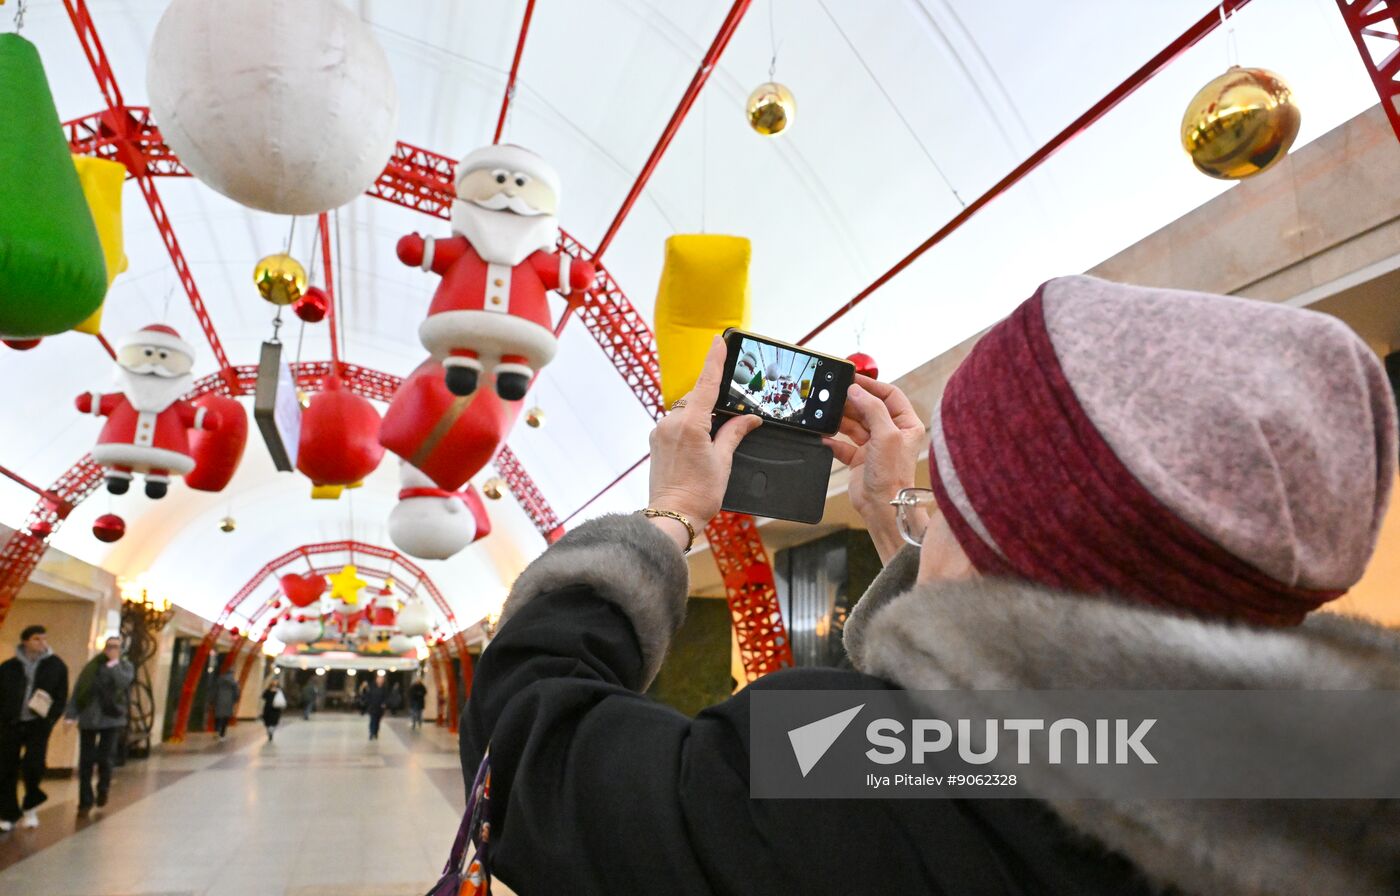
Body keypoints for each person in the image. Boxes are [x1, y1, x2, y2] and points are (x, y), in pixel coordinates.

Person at [459, 277, 1400, 895]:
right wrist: (909, 522)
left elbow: (528, 760)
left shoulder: (846, 764)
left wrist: (667, 515)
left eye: (955, 487)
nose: (934, 504)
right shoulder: (1333, 787)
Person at [0, 625, 68, 831]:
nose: (42, 643)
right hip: (10, 724)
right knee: (6, 768)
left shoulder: (56, 666)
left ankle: (31, 803)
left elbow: (61, 696)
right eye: (37, 639)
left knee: (34, 765)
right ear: (25, 642)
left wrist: (50, 720)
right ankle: (8, 812)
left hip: (37, 725)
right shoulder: (9, 667)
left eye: (44, 639)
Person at [63, 636, 133, 815]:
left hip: (112, 719)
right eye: (109, 646)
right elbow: (79, 690)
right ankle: (84, 801)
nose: (112, 650)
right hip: (88, 718)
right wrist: (70, 715)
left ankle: (103, 789)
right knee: (85, 760)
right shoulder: (92, 666)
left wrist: (114, 664)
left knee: (105, 757)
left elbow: (122, 682)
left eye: (116, 647)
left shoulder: (125, 666)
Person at [210, 669, 239, 740]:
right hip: (228, 702)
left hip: (219, 701)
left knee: (218, 717)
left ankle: (216, 732)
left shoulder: (219, 681)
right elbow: (237, 694)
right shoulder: (234, 683)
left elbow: (214, 691)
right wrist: (235, 700)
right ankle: (222, 734)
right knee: (225, 718)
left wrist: (212, 701)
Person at [363, 674, 388, 741]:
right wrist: (368, 703)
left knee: (377, 721)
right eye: (379, 679)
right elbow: (368, 695)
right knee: (372, 720)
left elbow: (386, 697)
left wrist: (384, 703)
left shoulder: (384, 688)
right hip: (373, 707)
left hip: (380, 708)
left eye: (381, 679)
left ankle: (376, 732)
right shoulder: (372, 687)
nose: (380, 680)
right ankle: (371, 733)